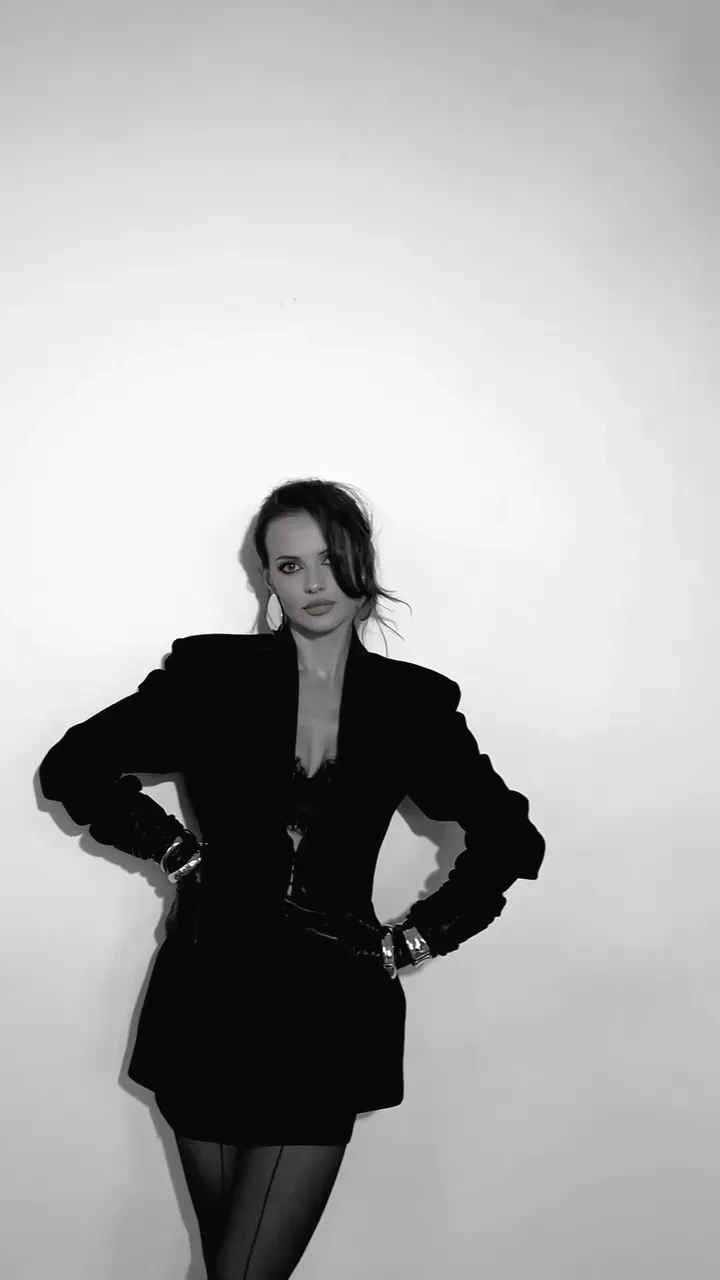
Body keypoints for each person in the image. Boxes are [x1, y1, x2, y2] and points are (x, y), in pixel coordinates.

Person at [38, 477, 546, 1279]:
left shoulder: (411, 705)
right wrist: (174, 851)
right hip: (205, 1000)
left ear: (362, 565)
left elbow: (508, 839)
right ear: (267, 580)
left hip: (327, 1015)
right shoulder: (211, 679)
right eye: (289, 566)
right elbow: (73, 767)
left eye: (330, 560)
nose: (314, 583)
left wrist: (415, 940)